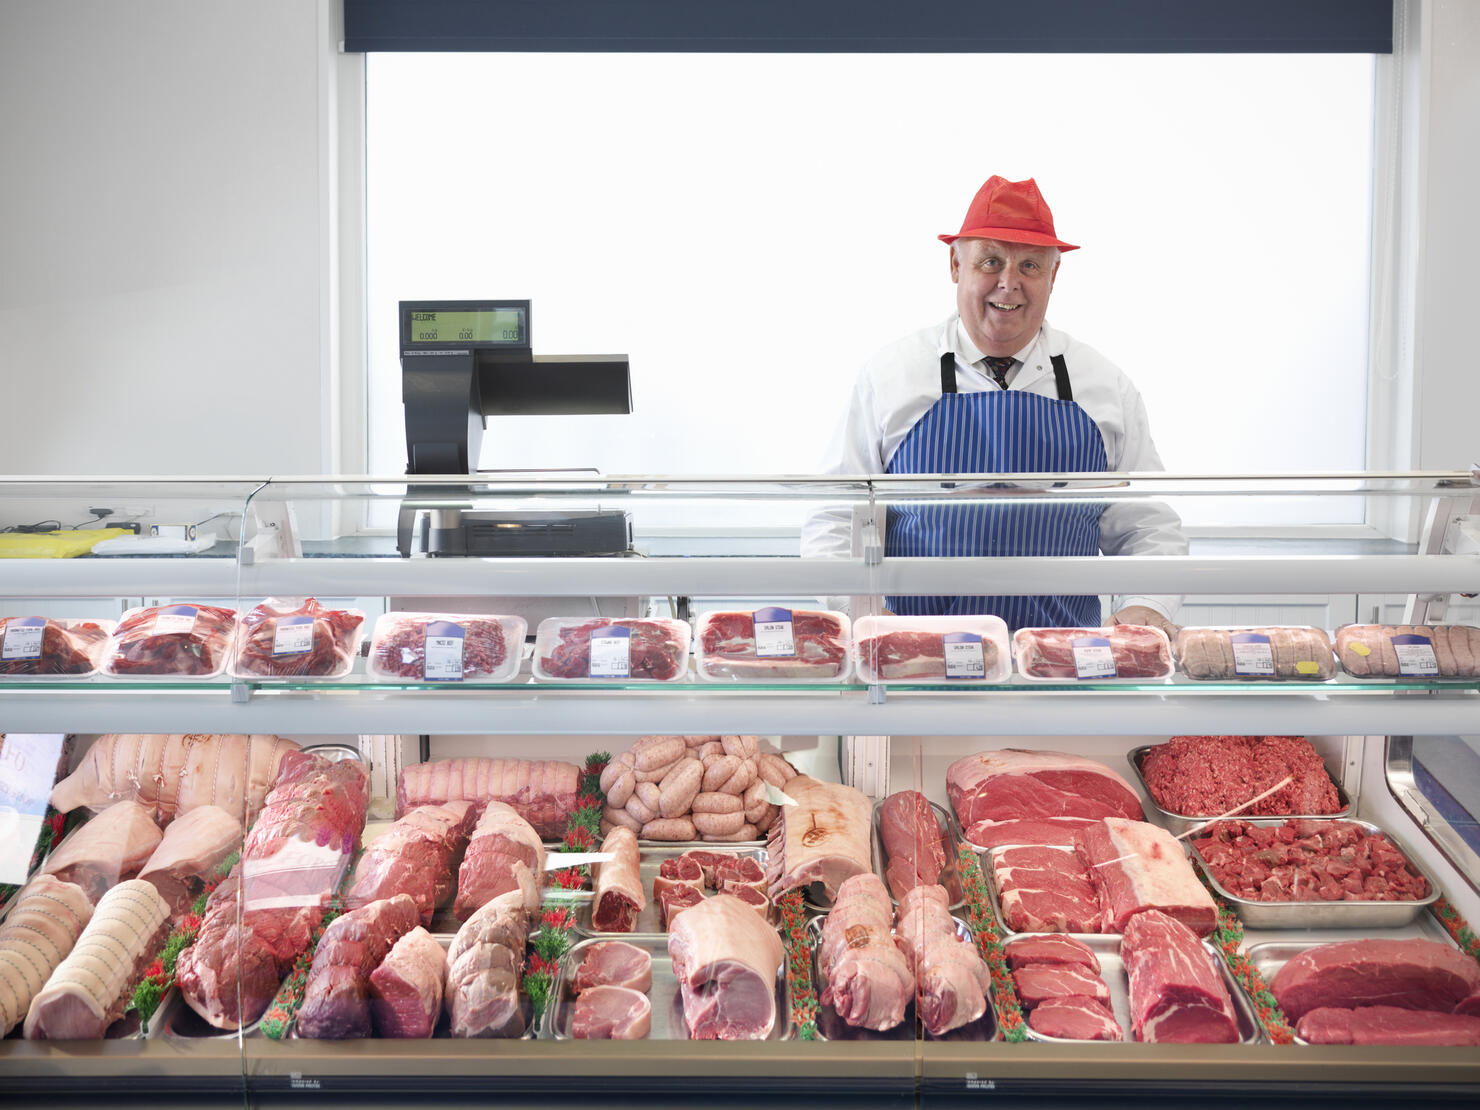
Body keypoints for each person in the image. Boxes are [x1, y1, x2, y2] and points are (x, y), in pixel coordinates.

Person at [801, 175, 1185, 634]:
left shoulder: (1104, 385)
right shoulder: (892, 375)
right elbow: (836, 516)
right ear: (954, 265)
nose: (1009, 283)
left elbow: (1147, 527)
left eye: (1030, 266)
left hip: (1062, 664)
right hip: (919, 662)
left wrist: (1145, 608)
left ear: (1053, 276)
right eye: (991, 261)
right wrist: (859, 615)